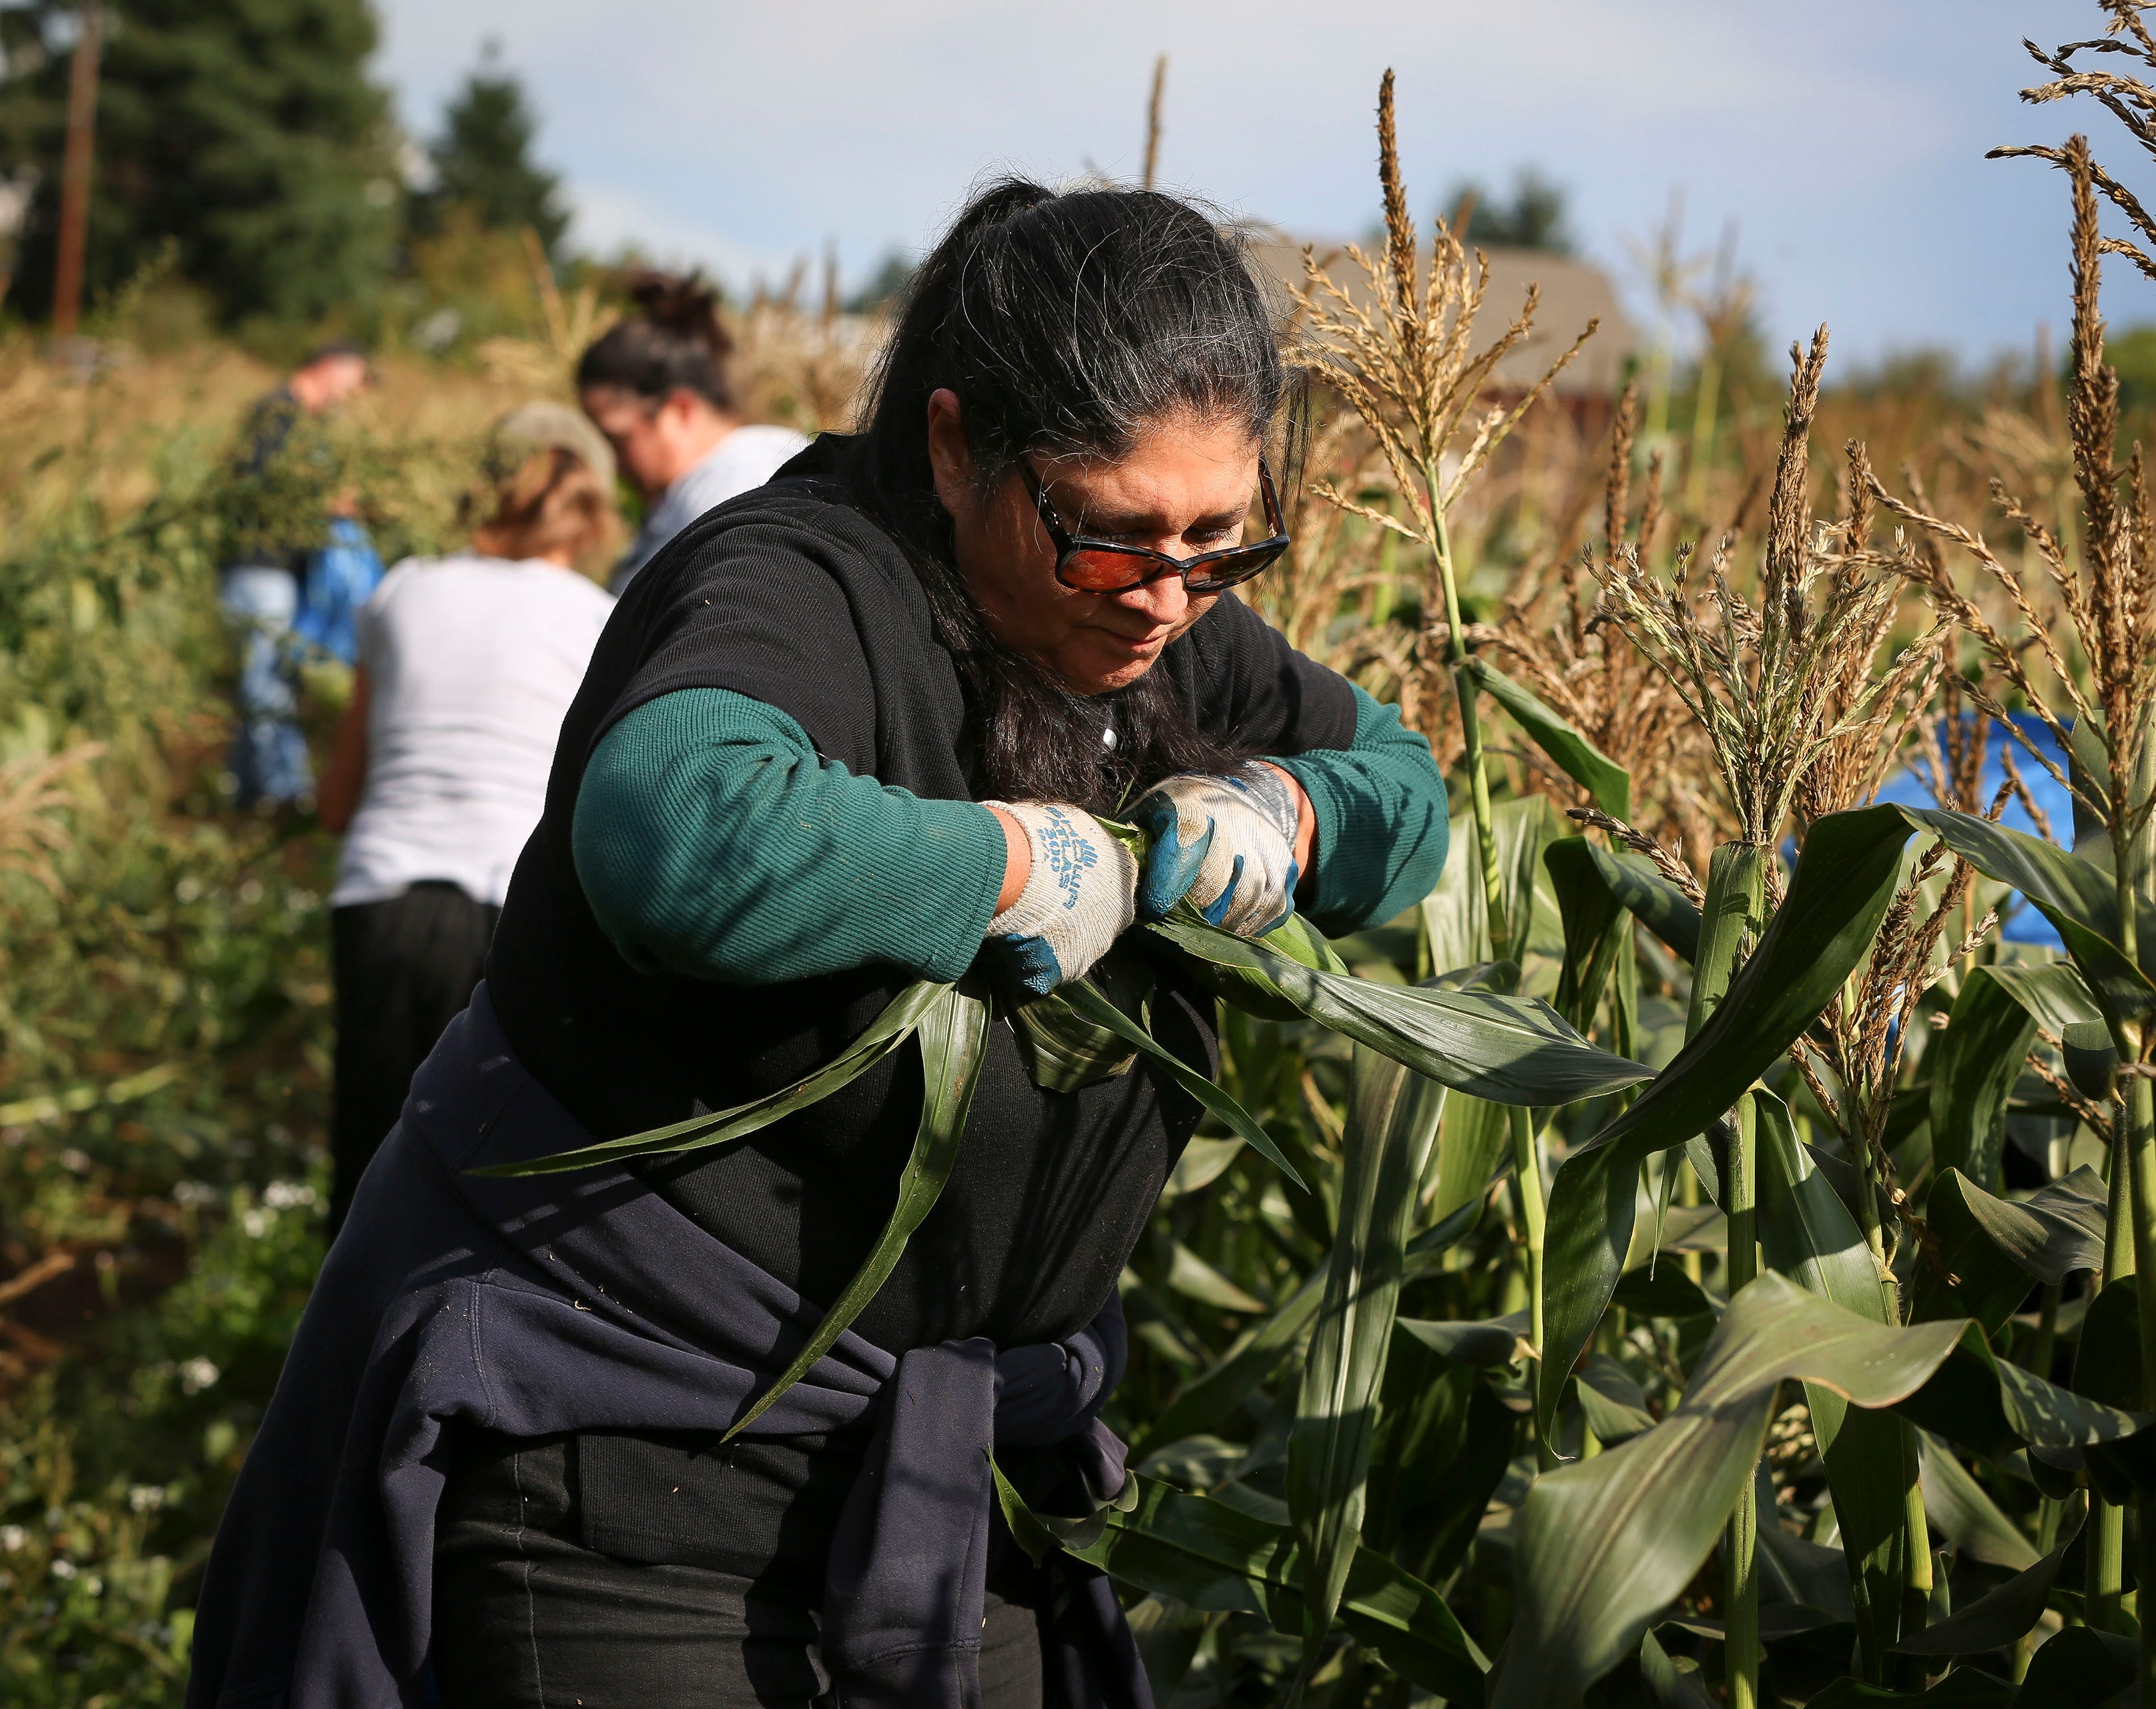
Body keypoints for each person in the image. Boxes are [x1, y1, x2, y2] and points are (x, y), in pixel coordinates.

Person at [188, 182, 1448, 1709]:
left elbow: (1405, 787)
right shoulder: (804, 579)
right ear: (949, 446)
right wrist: (998, 861)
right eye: (1108, 537)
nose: (1167, 599)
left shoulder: (1159, 618)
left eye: (1216, 542)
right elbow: (676, 821)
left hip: (961, 1483)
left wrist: (1289, 814)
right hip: (636, 1475)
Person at [313, 403, 619, 1233]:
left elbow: (335, 800)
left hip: (378, 898)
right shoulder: (601, 620)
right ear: (591, 509)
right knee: (480, 1185)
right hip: (505, 907)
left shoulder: (402, 589)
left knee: (368, 1173)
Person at [217, 343, 379, 811]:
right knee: (264, 685)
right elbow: (261, 488)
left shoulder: (302, 419)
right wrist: (330, 503)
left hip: (278, 573)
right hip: (257, 570)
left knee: (268, 684)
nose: (351, 396)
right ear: (332, 367)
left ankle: (249, 790)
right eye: (353, 382)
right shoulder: (278, 414)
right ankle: (275, 793)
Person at [577, 271, 808, 596]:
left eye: (618, 440)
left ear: (679, 411)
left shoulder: (736, 494)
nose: (613, 463)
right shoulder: (699, 492)